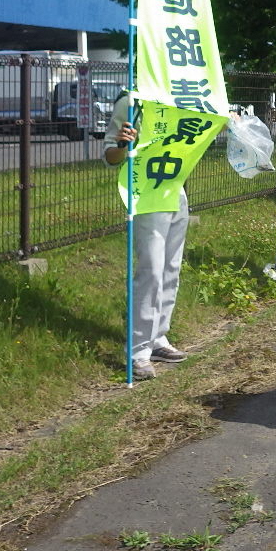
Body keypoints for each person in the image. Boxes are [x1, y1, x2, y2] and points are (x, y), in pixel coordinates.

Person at [103, 96, 189, 381]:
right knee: (150, 269)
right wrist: (122, 144)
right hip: (145, 194)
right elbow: (110, 157)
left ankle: (158, 338)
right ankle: (138, 350)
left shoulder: (180, 95)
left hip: (175, 190)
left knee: (170, 268)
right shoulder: (130, 102)